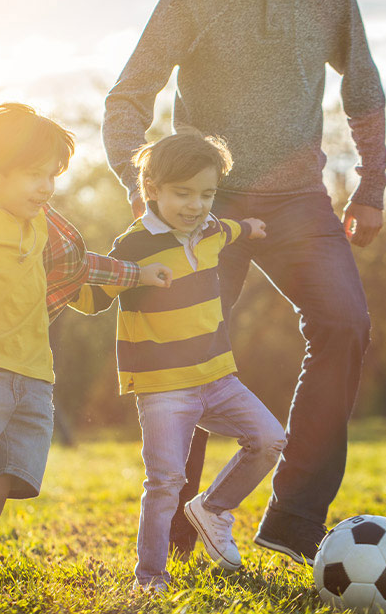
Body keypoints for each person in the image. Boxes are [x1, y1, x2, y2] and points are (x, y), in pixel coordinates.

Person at [101, 0, 386, 565]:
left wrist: (372, 185)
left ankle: (292, 521)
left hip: (299, 202)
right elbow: (128, 97)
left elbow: (364, 90)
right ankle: (179, 527)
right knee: (187, 346)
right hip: (207, 203)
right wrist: (137, 180)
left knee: (345, 325)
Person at [0, 103, 172, 607]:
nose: (48, 186)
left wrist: (138, 275)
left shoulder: (45, 226)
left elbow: (82, 265)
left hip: (33, 378)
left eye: (52, 175)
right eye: (34, 174)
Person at [71, 133, 286, 589]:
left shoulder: (211, 228)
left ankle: (211, 508)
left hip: (217, 376)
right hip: (163, 386)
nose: (195, 205)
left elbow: (231, 230)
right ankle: (149, 576)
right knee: (165, 481)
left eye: (206, 194)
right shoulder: (134, 245)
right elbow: (92, 299)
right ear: (152, 188)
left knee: (269, 439)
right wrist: (57, 280)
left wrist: (250, 227)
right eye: (182, 193)